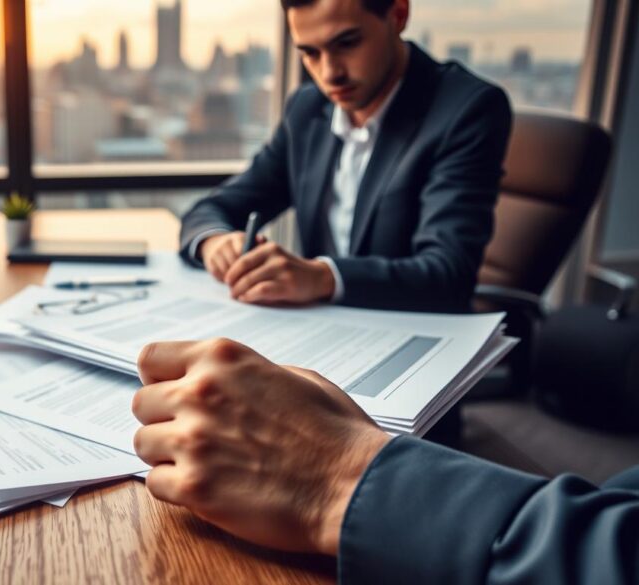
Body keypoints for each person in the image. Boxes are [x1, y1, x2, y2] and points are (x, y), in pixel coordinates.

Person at [131, 338, 639, 583]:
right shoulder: (309, 122)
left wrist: (340, 476)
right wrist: (212, 238)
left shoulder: (460, 125)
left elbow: (446, 263)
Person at [179, 0, 512, 313]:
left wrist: (321, 278)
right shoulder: (308, 108)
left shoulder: (467, 109)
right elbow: (210, 210)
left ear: (398, 15)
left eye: (347, 44)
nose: (328, 74)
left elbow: (448, 274)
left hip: (410, 338)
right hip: (318, 330)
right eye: (309, 53)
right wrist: (215, 242)